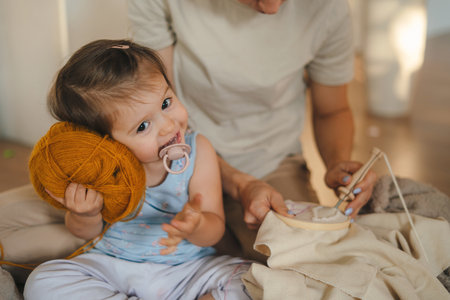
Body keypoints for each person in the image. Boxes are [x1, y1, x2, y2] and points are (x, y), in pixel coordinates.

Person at [127, 0, 377, 261]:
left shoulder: (327, 8)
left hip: (270, 162)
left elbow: (332, 110)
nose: (271, 8)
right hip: (176, 160)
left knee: (306, 260)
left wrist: (338, 163)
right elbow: (157, 111)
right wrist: (239, 184)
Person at [23, 39, 251, 300]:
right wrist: (85, 214)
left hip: (188, 269)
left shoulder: (199, 149)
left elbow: (215, 229)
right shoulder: (102, 170)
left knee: (249, 278)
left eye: (166, 103)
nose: (168, 126)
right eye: (143, 127)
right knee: (43, 281)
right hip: (115, 265)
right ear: (103, 142)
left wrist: (197, 224)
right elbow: (85, 233)